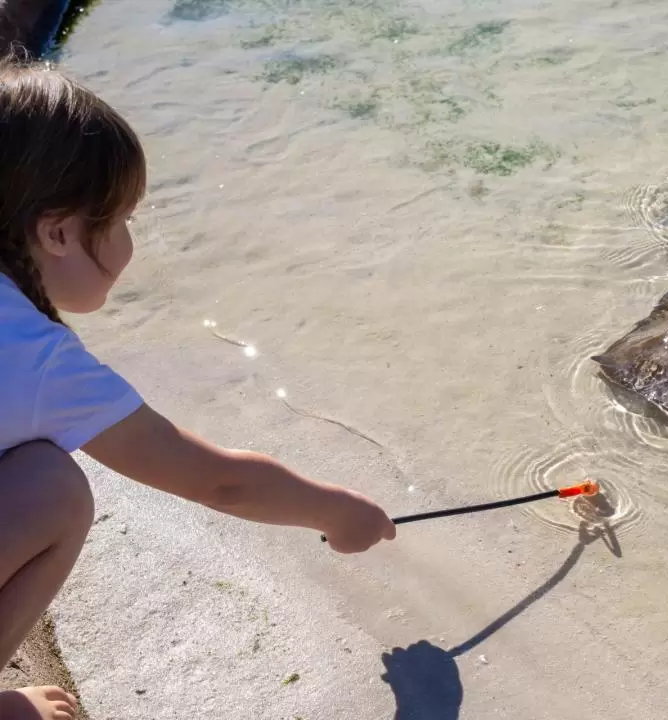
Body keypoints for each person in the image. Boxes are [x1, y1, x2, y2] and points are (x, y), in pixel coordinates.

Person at [0, 58, 397, 719]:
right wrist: (337, 511)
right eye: (122, 220)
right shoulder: (39, 362)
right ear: (58, 230)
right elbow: (218, 480)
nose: (129, 243)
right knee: (52, 489)